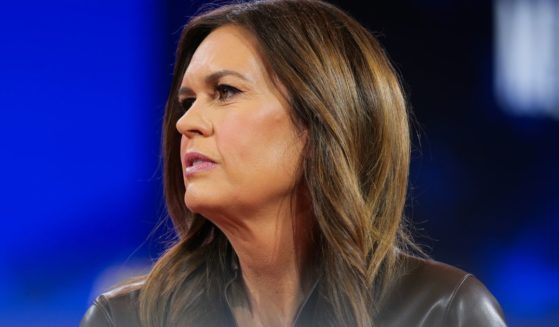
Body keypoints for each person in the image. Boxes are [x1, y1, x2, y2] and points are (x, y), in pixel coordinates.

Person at [80, 0, 506, 326]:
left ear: (323, 121)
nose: (186, 123)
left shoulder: (441, 312)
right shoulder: (128, 319)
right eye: (187, 101)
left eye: (225, 91)